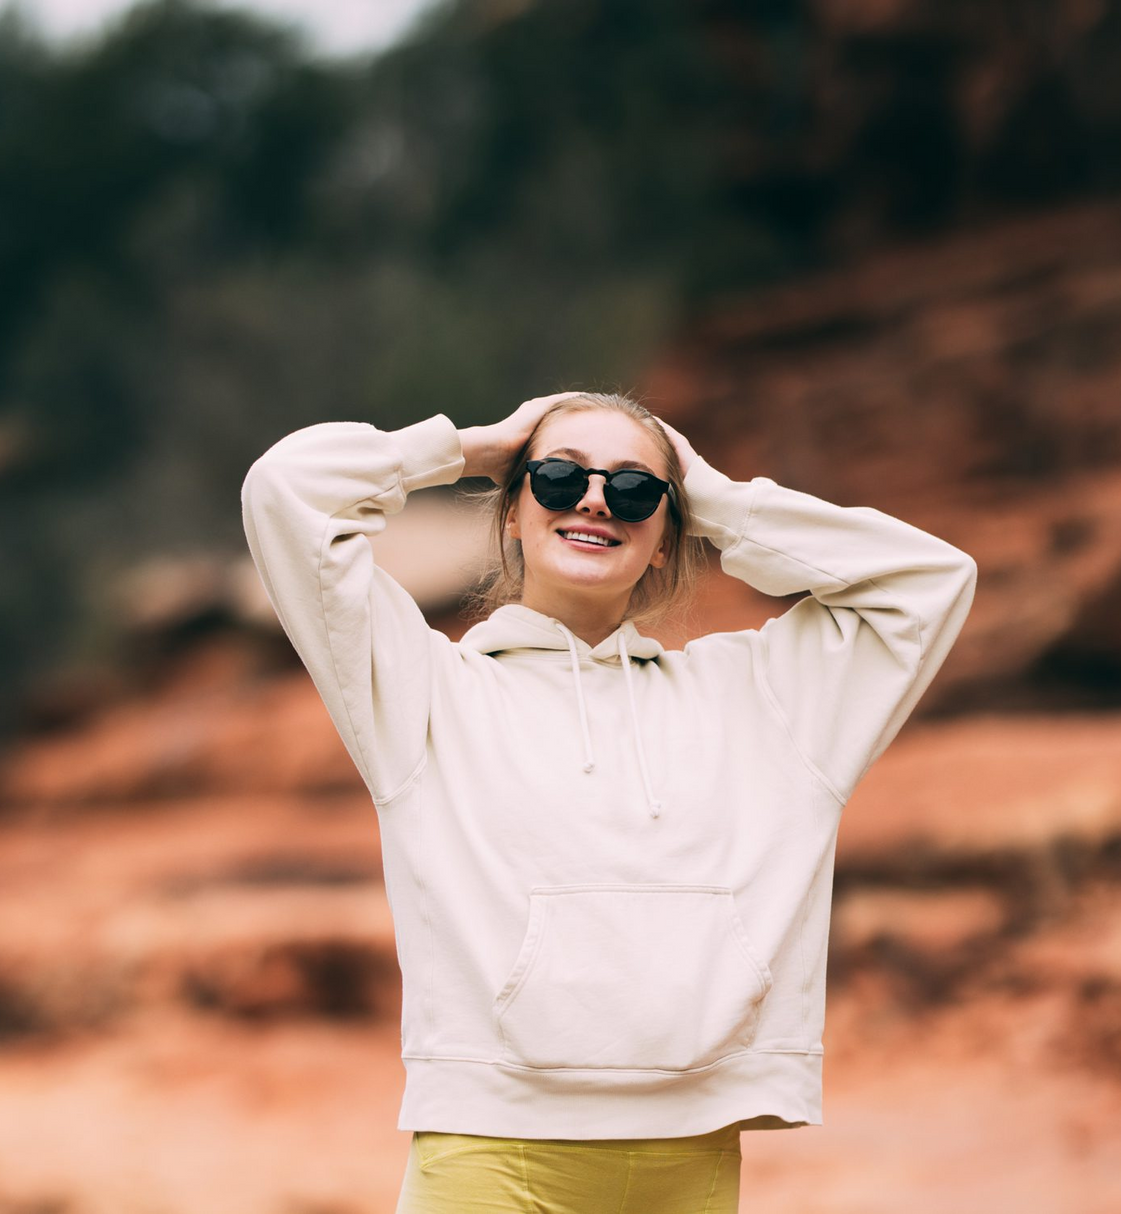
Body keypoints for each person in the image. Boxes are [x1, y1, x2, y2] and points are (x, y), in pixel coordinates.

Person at [240, 390, 978, 1212]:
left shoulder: (763, 697)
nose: (594, 498)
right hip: (492, 1152)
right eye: (557, 478)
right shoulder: (425, 690)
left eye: (633, 490)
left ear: (669, 536)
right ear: (513, 513)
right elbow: (285, 491)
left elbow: (930, 583)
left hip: (692, 1154)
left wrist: (723, 504)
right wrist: (469, 449)